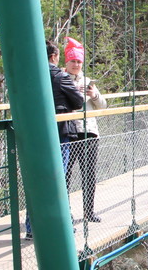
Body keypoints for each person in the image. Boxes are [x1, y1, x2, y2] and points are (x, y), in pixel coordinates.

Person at [26, 40, 84, 240]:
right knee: (58, 179)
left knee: (36, 179)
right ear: (53, 57)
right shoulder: (59, 76)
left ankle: (32, 228)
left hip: (32, 133)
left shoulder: (30, 75)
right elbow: (78, 101)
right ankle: (61, 226)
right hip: (58, 132)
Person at [63, 37, 107, 223]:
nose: (76, 64)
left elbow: (103, 106)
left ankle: (89, 212)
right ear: (66, 61)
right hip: (69, 132)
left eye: (79, 61)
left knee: (89, 174)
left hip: (89, 132)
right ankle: (67, 214)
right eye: (73, 61)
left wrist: (94, 95)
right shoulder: (61, 79)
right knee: (65, 175)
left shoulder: (89, 81)